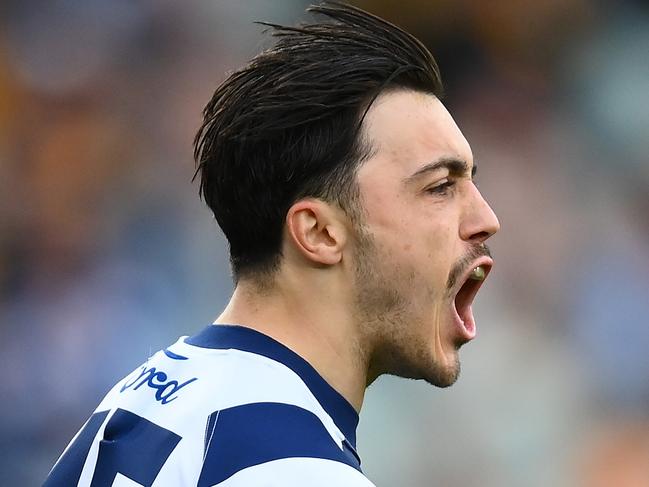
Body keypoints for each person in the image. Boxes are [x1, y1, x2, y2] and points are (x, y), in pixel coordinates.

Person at [44, 2, 499, 486]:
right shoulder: (295, 469)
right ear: (319, 233)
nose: (486, 219)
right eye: (440, 187)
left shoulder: (141, 400)